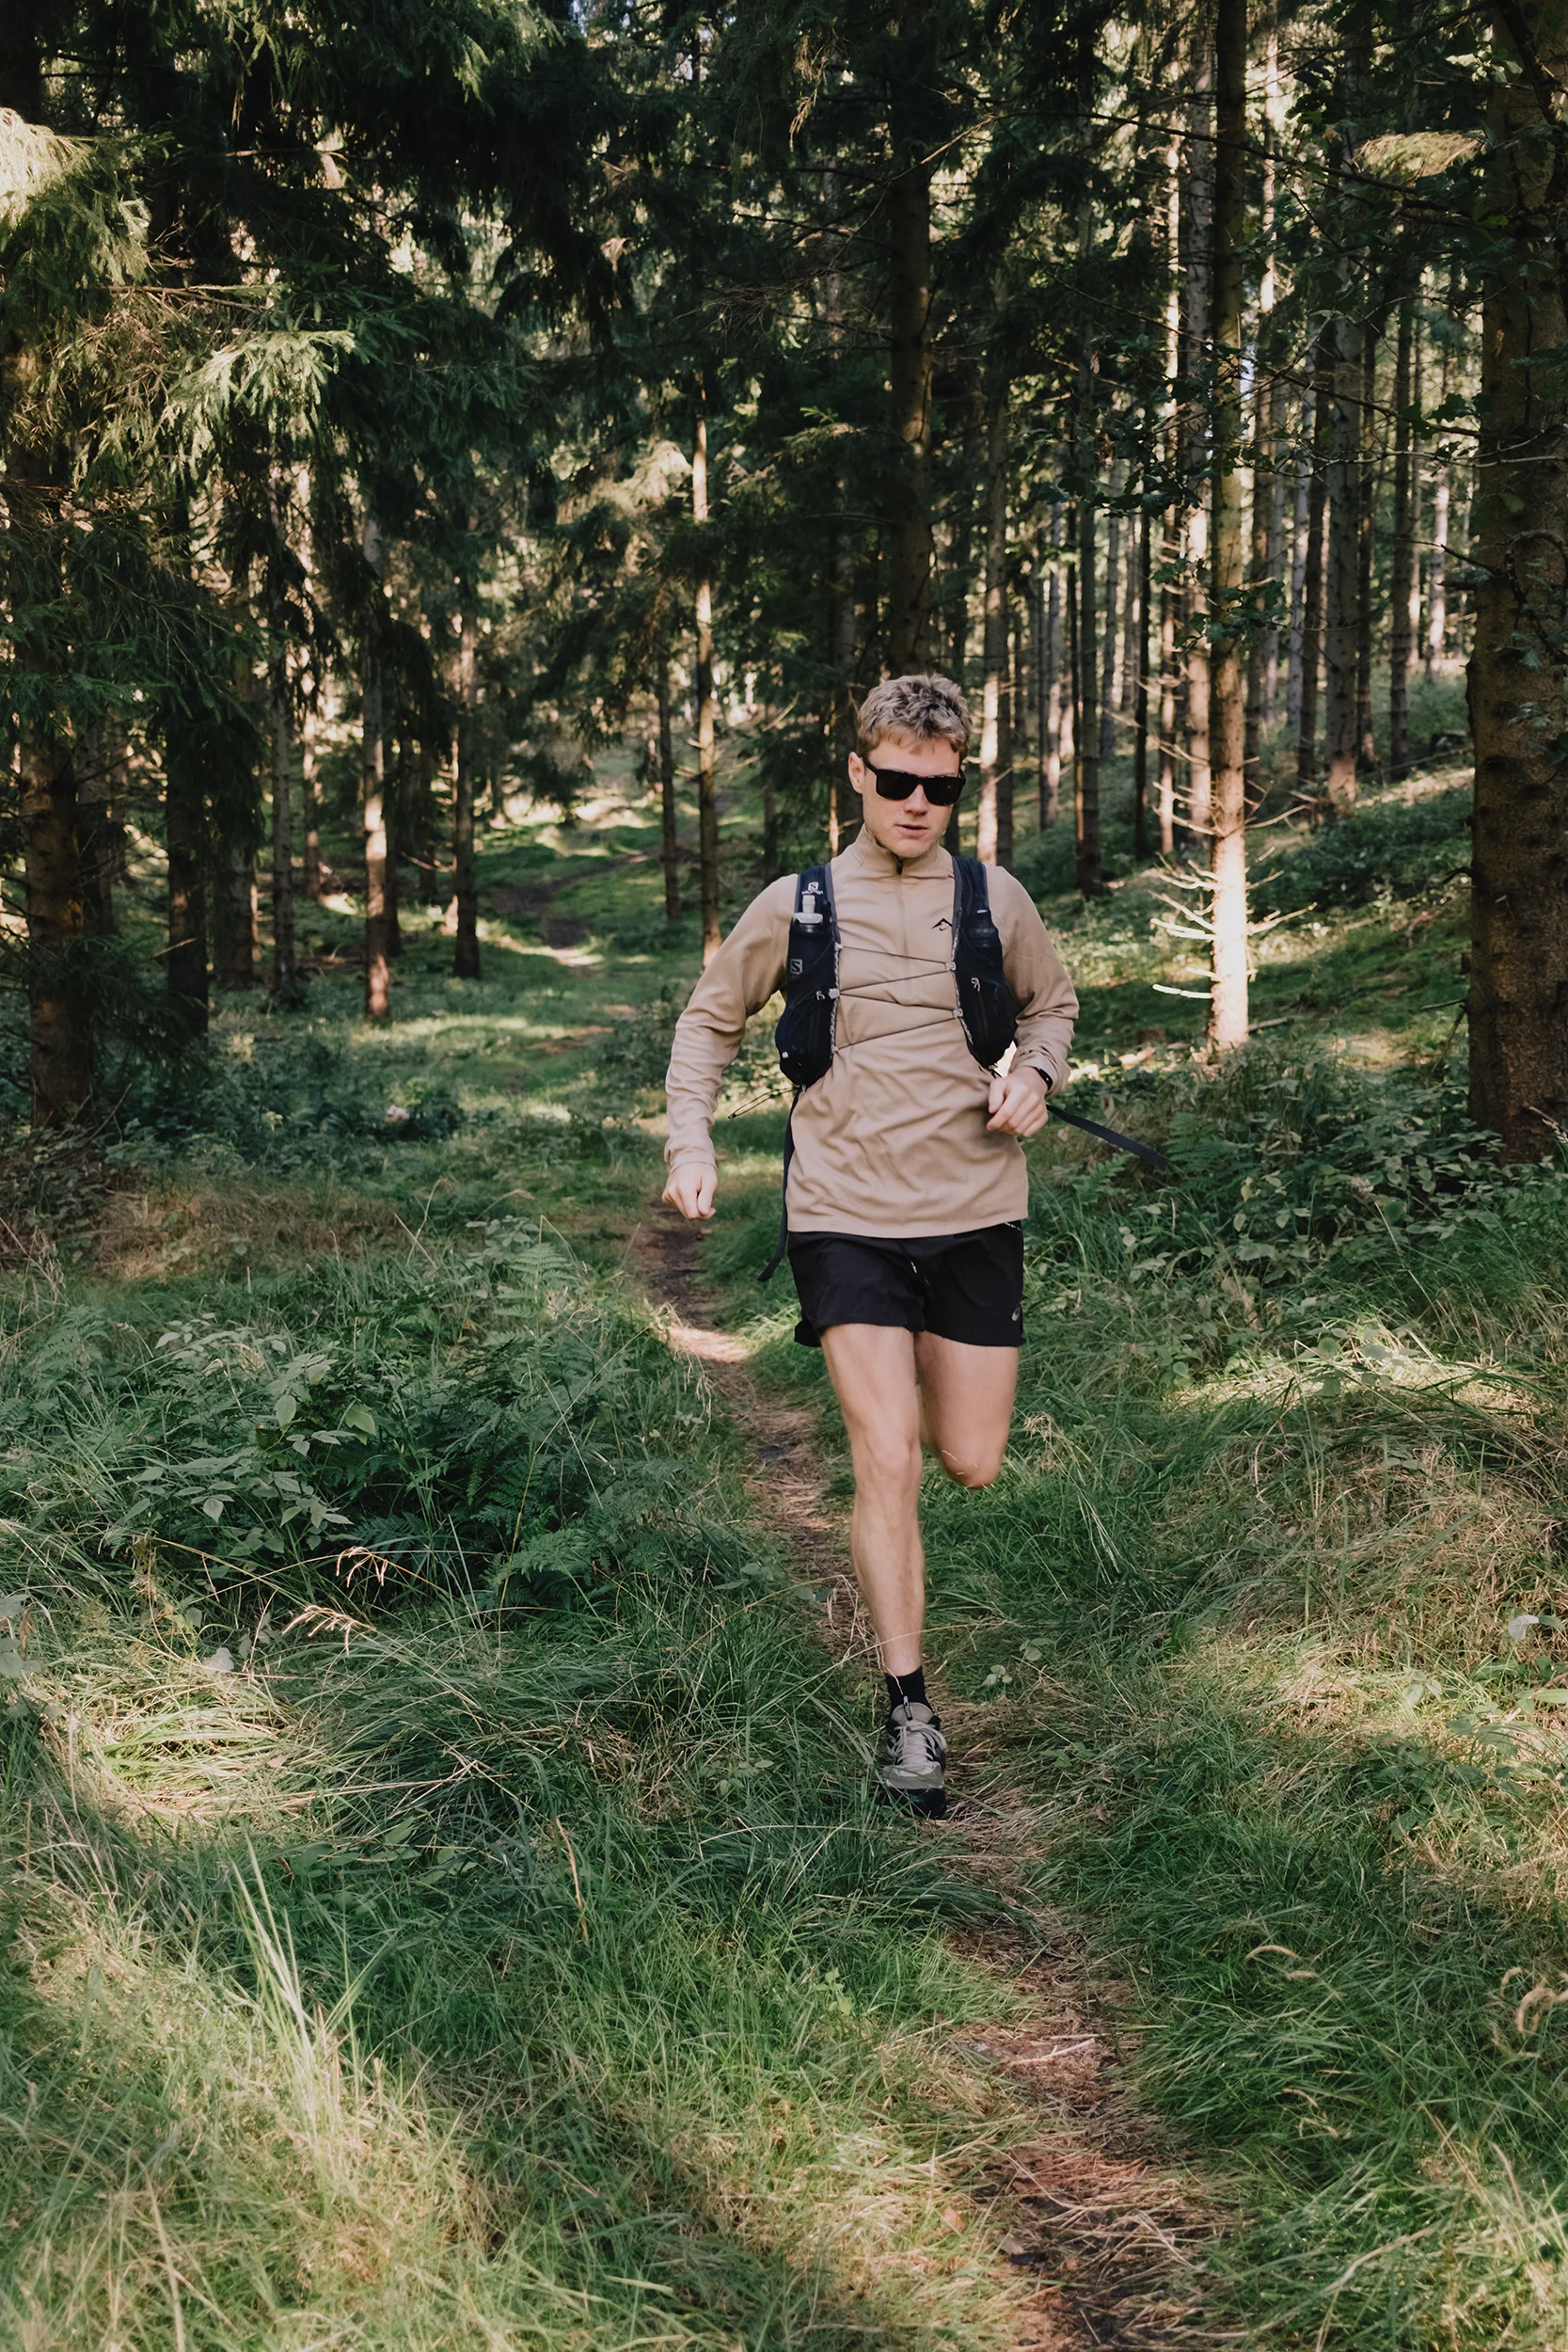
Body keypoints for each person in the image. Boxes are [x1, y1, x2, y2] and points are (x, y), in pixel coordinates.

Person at [662, 674, 1078, 1818]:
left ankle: (908, 1682)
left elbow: (1050, 1007)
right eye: (893, 781)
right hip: (843, 1211)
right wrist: (690, 1140)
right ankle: (907, 1704)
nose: (913, 804)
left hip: (976, 1208)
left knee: (969, 1459)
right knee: (883, 1453)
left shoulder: (995, 898)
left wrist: (1035, 1074)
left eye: (936, 788)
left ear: (957, 787)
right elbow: (709, 1020)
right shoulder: (795, 905)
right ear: (856, 773)